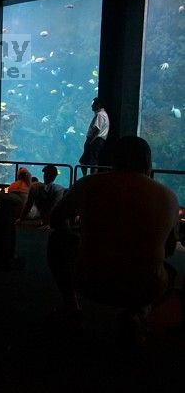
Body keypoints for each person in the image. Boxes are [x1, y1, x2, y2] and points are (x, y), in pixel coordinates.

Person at [48, 136, 180, 344]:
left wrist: (81, 235)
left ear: (112, 159)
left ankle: (72, 306)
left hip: (90, 281)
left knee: (58, 240)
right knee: (171, 273)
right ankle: (139, 314)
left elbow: (55, 219)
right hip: (144, 287)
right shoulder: (168, 196)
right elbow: (170, 249)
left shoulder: (88, 184)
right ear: (147, 162)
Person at [79, 97, 109, 176]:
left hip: (95, 141)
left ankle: (89, 178)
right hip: (97, 140)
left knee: (93, 162)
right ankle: (87, 178)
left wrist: (90, 141)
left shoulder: (100, 115)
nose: (92, 106)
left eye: (93, 104)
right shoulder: (103, 114)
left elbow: (97, 130)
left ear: (98, 105)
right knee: (84, 161)